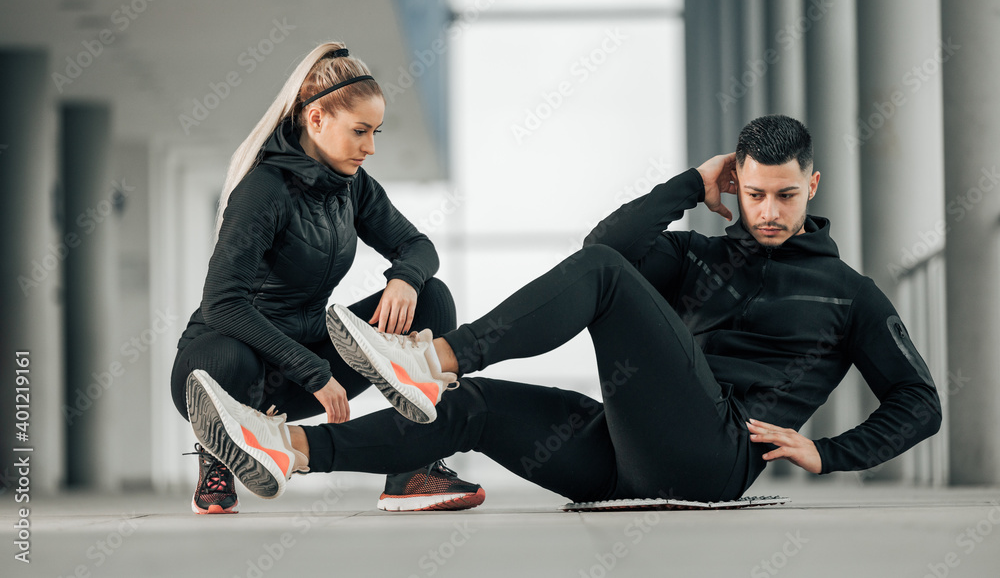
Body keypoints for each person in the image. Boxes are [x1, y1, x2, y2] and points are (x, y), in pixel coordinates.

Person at [184, 114, 942, 505]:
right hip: (626, 458)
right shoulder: (701, 256)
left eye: (783, 193)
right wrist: (686, 185)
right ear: (734, 186)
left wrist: (829, 452)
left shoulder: (851, 294)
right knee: (471, 405)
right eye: (751, 192)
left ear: (812, 185)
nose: (767, 209)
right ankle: (292, 450)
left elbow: (919, 401)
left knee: (598, 280)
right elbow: (602, 245)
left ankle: (432, 358)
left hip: (713, 458)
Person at [171, 42, 484, 514]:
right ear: (316, 120)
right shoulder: (264, 189)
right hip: (221, 371)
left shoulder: (352, 186)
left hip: (302, 368)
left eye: (376, 131)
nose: (370, 147)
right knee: (230, 356)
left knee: (431, 298)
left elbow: (419, 246)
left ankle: (413, 467)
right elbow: (223, 304)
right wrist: (314, 372)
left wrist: (405, 279)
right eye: (360, 131)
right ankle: (217, 451)